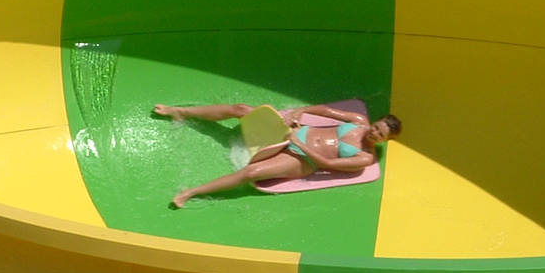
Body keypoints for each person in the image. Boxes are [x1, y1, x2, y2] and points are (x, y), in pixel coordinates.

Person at [152, 102, 402, 208]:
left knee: (252, 173)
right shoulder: (358, 120)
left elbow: (326, 162)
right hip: (291, 133)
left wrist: (297, 143)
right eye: (376, 127)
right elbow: (325, 111)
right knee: (241, 109)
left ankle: (191, 192)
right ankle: (180, 112)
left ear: (385, 141)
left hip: (302, 160)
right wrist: (300, 113)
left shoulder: (364, 158)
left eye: (380, 135)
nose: (374, 133)